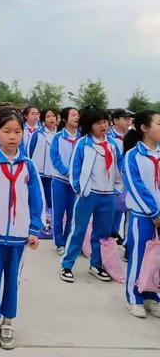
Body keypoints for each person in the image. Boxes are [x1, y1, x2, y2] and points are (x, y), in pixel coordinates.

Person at [0, 111, 44, 350]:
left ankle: (8, 320)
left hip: (19, 236)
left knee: (13, 281)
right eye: (7, 131)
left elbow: (37, 199)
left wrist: (35, 228)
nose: (12, 136)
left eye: (17, 131)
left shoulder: (28, 166)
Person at [60, 107, 124, 283]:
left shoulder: (112, 145)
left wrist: (117, 189)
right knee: (78, 231)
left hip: (108, 195)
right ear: (89, 126)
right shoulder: (83, 144)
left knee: (101, 234)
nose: (103, 125)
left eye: (105, 121)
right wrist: (81, 189)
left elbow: (120, 168)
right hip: (88, 195)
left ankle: (96, 265)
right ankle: (67, 265)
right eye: (98, 123)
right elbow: (74, 169)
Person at [122, 110, 160, 319]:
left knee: (156, 259)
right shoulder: (133, 155)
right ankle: (134, 297)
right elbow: (136, 187)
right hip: (142, 216)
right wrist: (154, 212)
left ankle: (152, 295)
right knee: (139, 256)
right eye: (159, 123)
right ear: (144, 128)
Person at [50, 107, 81, 255]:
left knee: (72, 213)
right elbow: (55, 158)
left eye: (77, 115)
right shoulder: (58, 137)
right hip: (60, 180)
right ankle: (59, 242)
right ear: (64, 119)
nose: (76, 117)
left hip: (75, 183)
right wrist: (67, 171)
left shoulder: (81, 138)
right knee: (58, 212)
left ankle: (68, 239)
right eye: (73, 115)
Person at [27, 108, 58, 211]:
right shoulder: (37, 134)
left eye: (53, 116)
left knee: (52, 199)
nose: (51, 119)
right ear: (43, 120)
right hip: (39, 173)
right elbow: (29, 151)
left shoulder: (60, 135)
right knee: (39, 197)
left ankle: (50, 219)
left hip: (54, 173)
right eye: (48, 116)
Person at [108, 109, 131, 244]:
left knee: (122, 207)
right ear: (115, 120)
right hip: (112, 176)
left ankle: (115, 232)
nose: (128, 120)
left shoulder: (131, 136)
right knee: (112, 206)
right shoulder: (109, 136)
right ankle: (109, 233)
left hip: (126, 177)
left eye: (128, 118)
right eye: (124, 118)